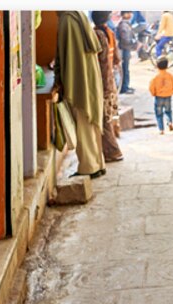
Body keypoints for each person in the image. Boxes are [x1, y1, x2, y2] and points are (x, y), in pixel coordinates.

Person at [54, 10, 106, 178]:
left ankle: (89, 166)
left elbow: (66, 55)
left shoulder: (67, 19)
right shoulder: (78, 15)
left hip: (78, 79)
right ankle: (98, 163)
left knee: (83, 121)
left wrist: (60, 76)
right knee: (90, 123)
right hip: (88, 76)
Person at [91, 11, 123, 162]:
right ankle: (109, 149)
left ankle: (113, 151)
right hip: (110, 81)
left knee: (104, 120)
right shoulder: (109, 33)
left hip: (101, 83)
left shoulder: (96, 35)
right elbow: (117, 59)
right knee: (108, 118)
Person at [149, 56, 173, 134]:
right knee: (168, 111)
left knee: (159, 113)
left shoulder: (155, 77)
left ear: (157, 66)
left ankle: (161, 129)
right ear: (167, 66)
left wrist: (153, 93)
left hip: (158, 97)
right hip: (168, 96)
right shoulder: (171, 76)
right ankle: (169, 122)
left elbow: (151, 87)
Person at [116, 11, 137, 94]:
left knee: (126, 69)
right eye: (129, 12)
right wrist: (133, 42)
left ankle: (125, 86)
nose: (131, 14)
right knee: (125, 69)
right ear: (124, 14)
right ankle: (124, 87)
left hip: (126, 49)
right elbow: (125, 39)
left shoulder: (125, 24)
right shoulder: (124, 25)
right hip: (124, 50)